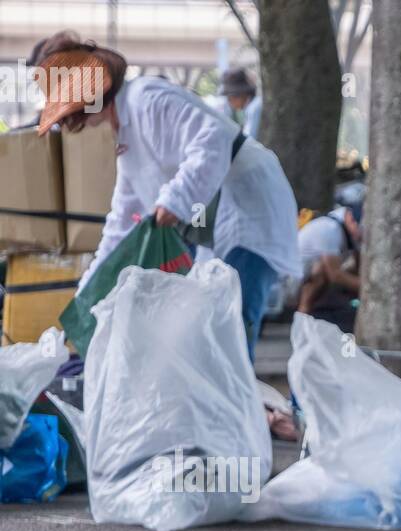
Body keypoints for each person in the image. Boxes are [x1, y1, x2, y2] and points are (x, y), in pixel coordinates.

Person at [33, 33, 298, 362]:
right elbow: (120, 225)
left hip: (250, 209)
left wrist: (174, 200)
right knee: (212, 330)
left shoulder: (146, 99)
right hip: (220, 224)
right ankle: (223, 408)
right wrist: (86, 296)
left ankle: (235, 410)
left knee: (230, 327)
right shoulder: (127, 141)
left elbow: (210, 140)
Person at [296, 198, 363, 332]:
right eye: (359, 226)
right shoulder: (329, 228)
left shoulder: (347, 232)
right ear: (349, 218)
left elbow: (358, 265)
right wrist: (367, 289)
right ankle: (302, 321)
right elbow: (335, 275)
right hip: (295, 282)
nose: (361, 233)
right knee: (321, 270)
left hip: (310, 279)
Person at [219, 66, 262, 140]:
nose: (230, 102)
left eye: (230, 98)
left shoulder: (254, 108)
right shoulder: (252, 107)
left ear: (241, 94)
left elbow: (249, 139)